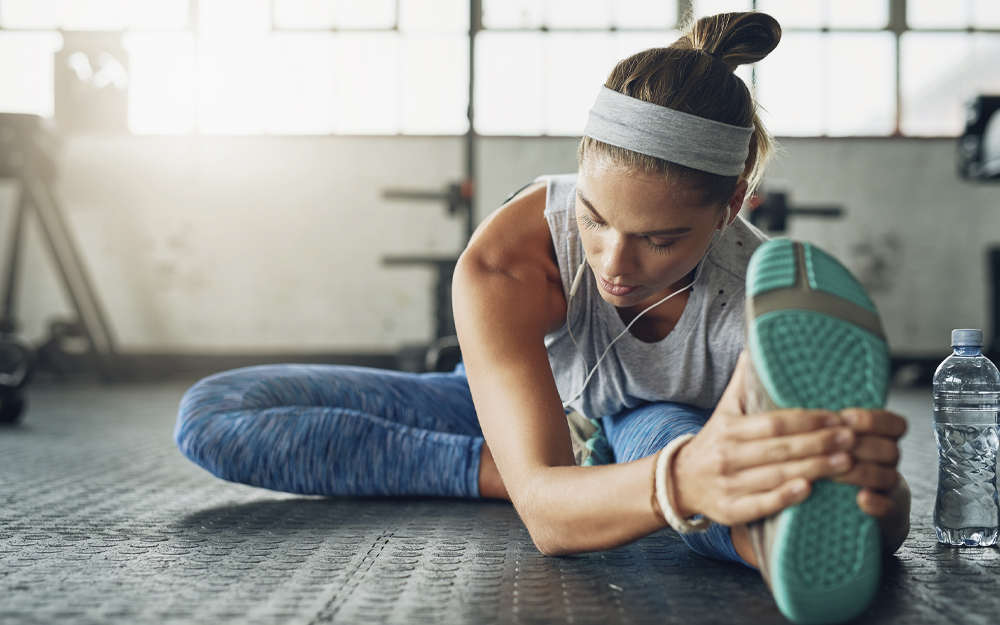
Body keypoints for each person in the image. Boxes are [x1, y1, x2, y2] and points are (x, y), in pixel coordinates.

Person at [175, 11, 910, 624]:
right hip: (510, 408)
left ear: (733, 201)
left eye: (660, 239)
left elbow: (743, 468)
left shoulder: (759, 299)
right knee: (214, 414)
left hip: (658, 428)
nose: (615, 262)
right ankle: (547, 473)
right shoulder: (507, 256)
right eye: (594, 218)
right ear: (579, 176)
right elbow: (550, 521)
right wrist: (556, 482)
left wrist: (874, 497)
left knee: (702, 460)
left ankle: (753, 529)